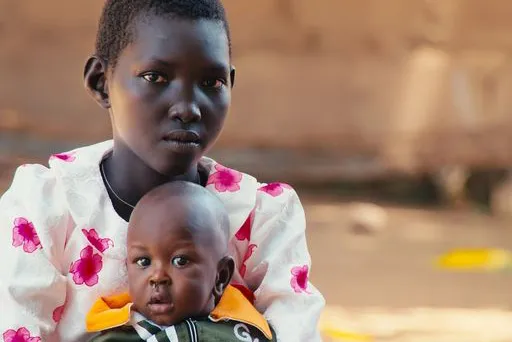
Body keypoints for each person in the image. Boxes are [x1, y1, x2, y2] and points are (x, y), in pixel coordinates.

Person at [0, 1, 325, 341]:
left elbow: (297, 331)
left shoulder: (260, 218)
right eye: (155, 77)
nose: (187, 107)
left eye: (211, 82)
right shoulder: (47, 208)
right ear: (101, 82)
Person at [86, 180, 276, 342]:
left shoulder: (248, 333)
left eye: (180, 261)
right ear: (128, 269)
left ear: (221, 276)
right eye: (144, 262)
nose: (158, 277)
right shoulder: (116, 336)